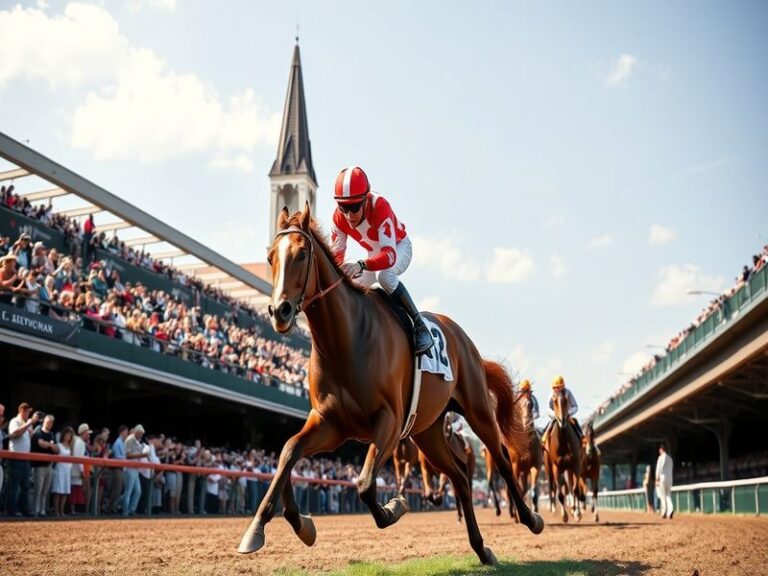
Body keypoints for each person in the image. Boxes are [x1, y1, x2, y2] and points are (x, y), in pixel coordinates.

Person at [329, 166, 434, 355]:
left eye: (354, 207)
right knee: (350, 285)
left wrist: (361, 264)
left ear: (365, 199)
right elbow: (336, 257)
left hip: (399, 247)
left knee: (384, 276)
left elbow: (389, 255)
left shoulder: (379, 205)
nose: (349, 215)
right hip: (374, 254)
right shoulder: (338, 218)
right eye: (343, 207)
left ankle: (420, 326)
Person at [7, 402, 40, 516]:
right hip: (15, 458)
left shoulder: (26, 423)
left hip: (25, 459)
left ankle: (24, 509)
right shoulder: (14, 421)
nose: (28, 414)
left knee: (25, 487)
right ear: (22, 411)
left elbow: (26, 440)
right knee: (14, 487)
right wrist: (29, 423)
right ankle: (13, 510)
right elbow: (15, 434)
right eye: (27, 412)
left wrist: (30, 428)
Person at [31, 414, 59, 516]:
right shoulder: (38, 431)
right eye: (48, 422)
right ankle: (35, 511)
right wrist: (51, 445)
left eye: (51, 422)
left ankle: (42, 511)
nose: (49, 424)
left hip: (49, 465)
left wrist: (50, 445)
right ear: (44, 422)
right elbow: (40, 443)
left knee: (45, 491)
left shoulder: (52, 434)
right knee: (38, 490)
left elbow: (56, 449)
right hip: (39, 466)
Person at [541, 375, 582, 445]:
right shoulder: (551, 394)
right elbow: (548, 409)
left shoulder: (568, 392)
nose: (558, 389)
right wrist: (555, 415)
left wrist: (568, 413)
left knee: (575, 423)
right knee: (547, 428)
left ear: (563, 386)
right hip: (556, 417)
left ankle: (582, 438)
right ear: (553, 388)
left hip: (567, 416)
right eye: (556, 387)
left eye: (560, 387)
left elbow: (575, 406)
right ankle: (543, 443)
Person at [51, 426, 75, 517]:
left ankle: (61, 511)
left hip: (67, 471)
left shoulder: (69, 447)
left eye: (70, 435)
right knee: (58, 491)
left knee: (65, 491)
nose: (68, 437)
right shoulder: (59, 445)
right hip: (59, 470)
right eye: (67, 435)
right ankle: (56, 511)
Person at [655, 443, 674, 519]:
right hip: (669, 478)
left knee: (663, 496)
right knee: (668, 495)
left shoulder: (660, 458)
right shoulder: (670, 459)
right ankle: (671, 509)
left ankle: (664, 511)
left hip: (662, 478)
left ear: (661, 450)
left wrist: (657, 479)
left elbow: (658, 469)